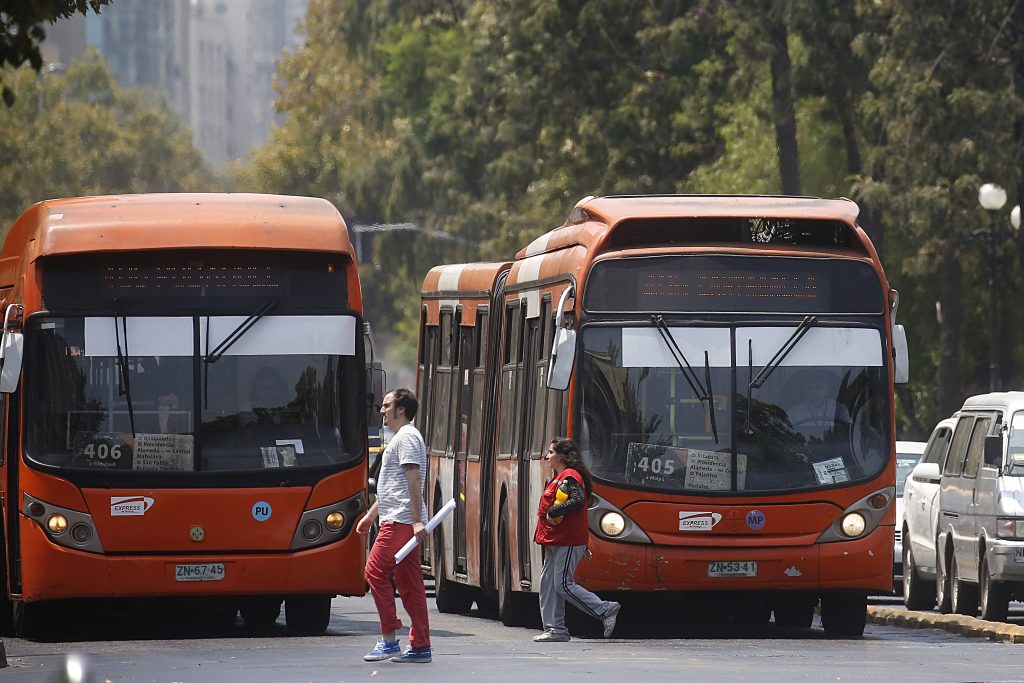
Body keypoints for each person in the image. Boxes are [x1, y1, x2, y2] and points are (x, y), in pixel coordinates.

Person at [355, 388, 432, 664]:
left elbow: (413, 481)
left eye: (386, 406)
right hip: (399, 517)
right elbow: (393, 488)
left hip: (401, 521)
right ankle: (421, 646)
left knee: (374, 571)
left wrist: (416, 521)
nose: (382, 410)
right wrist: (371, 516)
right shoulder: (401, 438)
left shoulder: (407, 437)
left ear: (401, 409)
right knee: (409, 584)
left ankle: (389, 640)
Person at [533, 437, 621, 642]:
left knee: (562, 584)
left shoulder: (570, 476)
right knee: (548, 585)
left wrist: (555, 510)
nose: (547, 457)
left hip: (567, 539)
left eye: (551, 452)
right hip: (555, 539)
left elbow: (578, 500)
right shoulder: (560, 476)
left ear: (562, 456)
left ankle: (604, 609)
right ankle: (555, 630)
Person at [786, 371, 851, 440]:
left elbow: (849, 433)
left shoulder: (840, 410)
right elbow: (788, 437)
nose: (813, 392)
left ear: (827, 390)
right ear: (804, 390)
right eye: (809, 388)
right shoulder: (793, 413)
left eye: (818, 388)